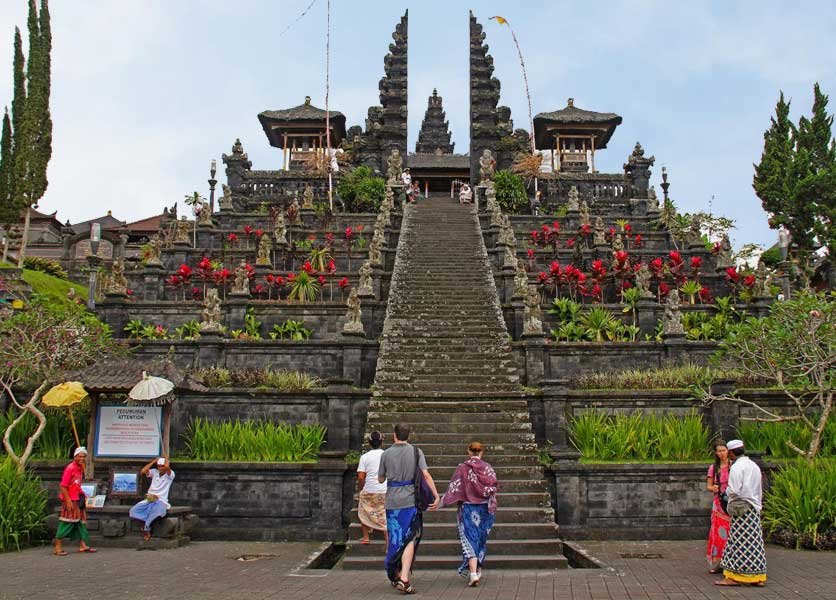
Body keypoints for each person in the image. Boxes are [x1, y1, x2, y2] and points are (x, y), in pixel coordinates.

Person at [378, 422, 440, 595]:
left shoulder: (387, 454)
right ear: (409, 435)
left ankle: (397, 573)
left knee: (395, 536)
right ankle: (404, 575)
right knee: (410, 537)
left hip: (392, 501)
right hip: (411, 501)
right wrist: (436, 495)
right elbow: (426, 475)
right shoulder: (416, 451)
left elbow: (381, 479)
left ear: (394, 435)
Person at [437, 442, 498, 587]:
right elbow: (494, 486)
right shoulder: (488, 468)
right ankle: (478, 569)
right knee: (481, 539)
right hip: (484, 509)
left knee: (470, 538)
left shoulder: (462, 468)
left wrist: (441, 502)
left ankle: (473, 573)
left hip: (468, 508)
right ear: (481, 452)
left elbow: (454, 487)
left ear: (469, 452)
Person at [716, 439, 767, 587]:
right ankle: (758, 576)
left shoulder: (737, 467)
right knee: (755, 541)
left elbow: (734, 489)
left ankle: (733, 577)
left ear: (731, 452)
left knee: (737, 541)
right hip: (754, 507)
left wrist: (726, 494)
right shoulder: (754, 466)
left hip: (741, 507)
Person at [53, 447, 96, 555]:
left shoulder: (80, 468)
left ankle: (83, 545)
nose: (82, 458)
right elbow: (63, 486)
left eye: (83, 456)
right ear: (75, 456)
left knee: (81, 523)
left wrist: (84, 494)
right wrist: (68, 501)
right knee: (66, 522)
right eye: (79, 456)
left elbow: (76, 484)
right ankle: (57, 547)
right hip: (71, 500)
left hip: (78, 499)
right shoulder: (70, 468)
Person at [129, 457, 176, 541]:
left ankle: (147, 529)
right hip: (150, 498)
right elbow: (143, 471)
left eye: (161, 466)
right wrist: (154, 461)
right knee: (133, 511)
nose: (160, 468)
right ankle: (144, 524)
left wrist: (166, 462)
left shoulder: (170, 475)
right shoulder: (155, 472)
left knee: (158, 512)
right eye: (158, 466)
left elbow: (167, 468)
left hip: (161, 500)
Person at [357, 431, 388, 546]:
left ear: (369, 443)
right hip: (384, 490)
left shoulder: (364, 457)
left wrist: (361, 489)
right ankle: (387, 541)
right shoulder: (387, 455)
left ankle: (366, 537)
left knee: (363, 510)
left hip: (369, 490)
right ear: (382, 442)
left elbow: (361, 477)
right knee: (385, 513)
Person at [706, 440, 731, 573]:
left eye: (723, 450)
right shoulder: (713, 468)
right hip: (719, 503)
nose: (721, 453)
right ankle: (717, 563)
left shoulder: (734, 466)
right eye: (719, 451)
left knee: (731, 532)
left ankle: (731, 561)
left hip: (731, 502)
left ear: (728, 451)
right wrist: (713, 488)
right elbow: (708, 485)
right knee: (718, 533)